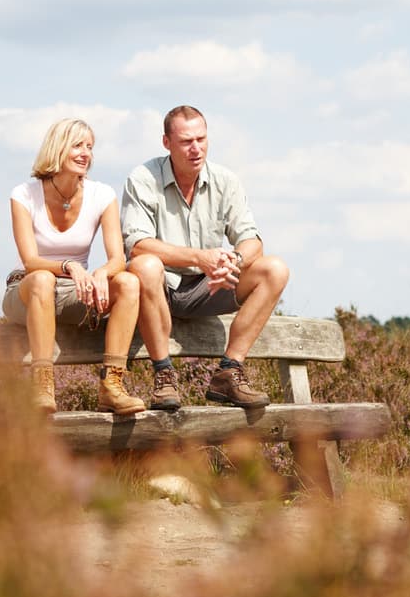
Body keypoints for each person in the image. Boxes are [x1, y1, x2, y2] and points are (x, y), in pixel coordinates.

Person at [121, 104, 289, 410]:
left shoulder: (226, 180)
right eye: (186, 141)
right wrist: (200, 258)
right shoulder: (142, 178)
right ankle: (164, 376)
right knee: (144, 265)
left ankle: (229, 372)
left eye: (201, 139)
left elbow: (252, 240)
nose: (196, 148)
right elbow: (137, 245)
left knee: (274, 270)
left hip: (208, 288)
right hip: (160, 289)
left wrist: (233, 262)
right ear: (166, 143)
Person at [3, 118, 146, 416]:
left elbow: (118, 259)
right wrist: (70, 266)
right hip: (27, 291)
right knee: (42, 278)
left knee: (129, 283)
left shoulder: (102, 195)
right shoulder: (24, 195)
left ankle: (112, 386)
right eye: (77, 145)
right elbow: (30, 262)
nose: (86, 154)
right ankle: (42, 387)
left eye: (90, 147)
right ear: (57, 148)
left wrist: (100, 274)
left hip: (74, 291)